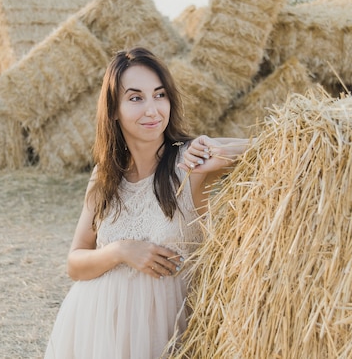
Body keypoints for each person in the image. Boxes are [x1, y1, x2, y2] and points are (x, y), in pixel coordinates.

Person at [44, 47, 249, 359]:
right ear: (113, 109)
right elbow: (75, 263)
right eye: (136, 98)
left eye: (160, 95)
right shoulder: (104, 176)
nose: (152, 110)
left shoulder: (190, 162)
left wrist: (218, 149)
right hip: (97, 332)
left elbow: (278, 146)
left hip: (165, 334)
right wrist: (121, 251)